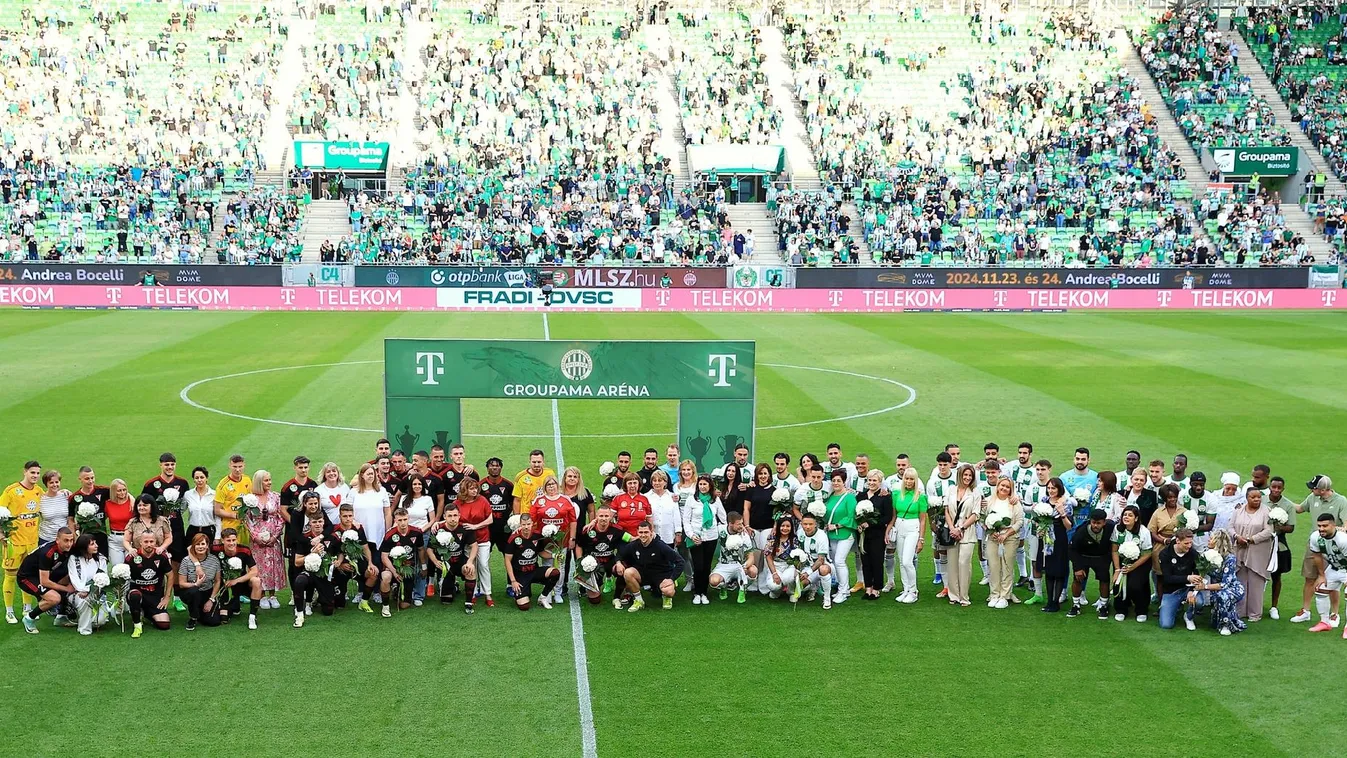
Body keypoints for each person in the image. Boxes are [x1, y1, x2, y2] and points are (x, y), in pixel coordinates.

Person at [1291, 475, 1346, 624]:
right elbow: (1300, 509)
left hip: (1333, 547)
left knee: (1332, 581)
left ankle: (1334, 614)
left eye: (1314, 487)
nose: (1311, 489)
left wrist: (1330, 530)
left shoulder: (1341, 501)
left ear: (1322, 490)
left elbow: (1346, 527)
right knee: (1309, 578)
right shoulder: (1312, 497)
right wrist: (1281, 501)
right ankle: (1306, 611)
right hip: (1314, 544)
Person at [2, 461, 44, 625]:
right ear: (25, 472)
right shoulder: (11, 491)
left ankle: (27, 608)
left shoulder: (39, 491)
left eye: (37, 473)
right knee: (11, 576)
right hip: (14, 542)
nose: (35, 476)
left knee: (28, 576)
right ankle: (9, 611)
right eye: (32, 473)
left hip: (32, 543)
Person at [15, 527, 75, 634]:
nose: (69, 544)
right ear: (57, 540)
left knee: (67, 578)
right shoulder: (47, 553)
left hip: (42, 575)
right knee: (54, 598)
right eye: (66, 540)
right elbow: (45, 582)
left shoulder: (67, 548)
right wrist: (66, 589)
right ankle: (29, 618)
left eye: (71, 540)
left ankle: (61, 616)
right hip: (27, 578)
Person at [615, 520, 683, 612]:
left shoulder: (660, 545)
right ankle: (639, 601)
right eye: (641, 532)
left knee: (669, 591)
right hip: (643, 574)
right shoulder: (634, 545)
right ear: (637, 532)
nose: (643, 535)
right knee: (628, 572)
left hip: (661, 575)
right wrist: (618, 563)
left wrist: (671, 579)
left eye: (646, 532)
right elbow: (620, 554)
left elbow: (680, 562)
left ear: (651, 532)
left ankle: (667, 597)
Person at [528, 475, 575, 605]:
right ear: (545, 487)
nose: (551, 487)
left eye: (553, 484)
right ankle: (547, 592)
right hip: (545, 541)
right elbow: (532, 520)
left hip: (562, 541)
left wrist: (572, 537)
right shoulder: (539, 500)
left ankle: (558, 592)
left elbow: (573, 520)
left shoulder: (565, 500)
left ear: (558, 485)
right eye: (548, 485)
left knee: (561, 565)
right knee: (547, 565)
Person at [681, 474, 726, 606]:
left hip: (711, 537)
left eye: (705, 484)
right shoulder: (692, 499)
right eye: (700, 484)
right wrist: (691, 535)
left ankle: (704, 593)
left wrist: (721, 530)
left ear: (710, 485)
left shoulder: (715, 500)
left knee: (706, 566)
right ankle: (697, 593)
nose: (702, 487)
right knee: (698, 566)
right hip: (696, 537)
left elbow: (722, 517)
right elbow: (686, 520)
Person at [1232, 488, 1274, 622]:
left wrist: (1251, 539)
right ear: (1247, 498)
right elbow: (1230, 526)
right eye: (1253, 497)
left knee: (1256, 582)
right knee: (1240, 580)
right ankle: (1240, 611)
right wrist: (1236, 536)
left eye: (1258, 497)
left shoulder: (1266, 512)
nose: (1256, 500)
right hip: (1239, 549)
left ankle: (1255, 613)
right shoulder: (1238, 511)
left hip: (1257, 550)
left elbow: (1269, 531)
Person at [245, 471, 285, 610]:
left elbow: (281, 517)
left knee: (274, 564)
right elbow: (247, 519)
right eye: (266, 480)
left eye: (270, 480)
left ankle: (272, 594)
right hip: (257, 538)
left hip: (273, 537)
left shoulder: (275, 497)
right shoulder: (250, 499)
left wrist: (275, 535)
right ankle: (261, 594)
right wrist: (255, 536)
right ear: (259, 482)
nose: (269, 482)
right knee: (260, 566)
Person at [575, 505, 629, 607]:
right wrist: (579, 561)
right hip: (594, 564)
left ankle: (617, 596)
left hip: (610, 561)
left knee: (623, 570)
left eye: (606, 516)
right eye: (601, 516)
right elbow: (579, 545)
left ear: (611, 517)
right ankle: (588, 585)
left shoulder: (617, 529)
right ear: (596, 516)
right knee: (595, 600)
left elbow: (630, 539)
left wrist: (649, 536)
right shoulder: (587, 530)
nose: (604, 518)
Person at [427, 504, 477, 614]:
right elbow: (429, 549)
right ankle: (453, 586)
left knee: (470, 570)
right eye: (449, 516)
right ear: (444, 516)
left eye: (455, 515)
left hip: (460, 562)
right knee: (446, 600)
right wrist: (436, 562)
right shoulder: (438, 529)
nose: (453, 518)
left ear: (459, 516)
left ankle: (468, 603)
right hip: (445, 565)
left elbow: (474, 545)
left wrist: (470, 561)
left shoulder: (464, 529)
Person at [504, 513, 560, 611]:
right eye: (523, 525)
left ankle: (543, 597)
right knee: (524, 606)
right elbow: (507, 560)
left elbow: (541, 552)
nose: (526, 527)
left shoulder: (537, 536)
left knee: (555, 573)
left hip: (534, 571)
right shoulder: (513, 539)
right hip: (520, 575)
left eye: (528, 524)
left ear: (532, 524)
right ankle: (523, 593)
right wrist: (513, 581)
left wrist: (554, 555)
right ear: (520, 525)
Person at [887, 467, 927, 603]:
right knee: (901, 561)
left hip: (912, 527)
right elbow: (894, 514)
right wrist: (890, 528)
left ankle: (913, 590)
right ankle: (905, 589)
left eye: (911, 479)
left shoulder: (920, 496)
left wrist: (921, 538)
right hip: (899, 526)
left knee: (907, 561)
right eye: (906, 478)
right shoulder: (897, 493)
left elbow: (922, 519)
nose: (909, 481)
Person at [983, 477, 1024, 609]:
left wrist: (1006, 534)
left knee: (1007, 566)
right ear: (998, 486)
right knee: (994, 566)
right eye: (1002, 485)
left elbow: (1019, 522)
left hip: (1010, 538)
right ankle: (994, 594)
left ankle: (1005, 595)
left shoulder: (1014, 503)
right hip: (993, 538)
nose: (1004, 488)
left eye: (1007, 487)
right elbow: (982, 518)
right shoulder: (989, 501)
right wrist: (990, 531)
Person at [290, 512, 337, 627]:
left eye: (320, 521)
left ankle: (317, 599)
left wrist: (338, 561)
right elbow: (297, 562)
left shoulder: (331, 537)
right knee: (299, 581)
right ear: (309, 523)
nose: (317, 524)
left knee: (328, 611)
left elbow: (340, 553)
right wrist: (312, 553)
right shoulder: (304, 538)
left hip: (325, 575)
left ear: (324, 522)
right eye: (314, 522)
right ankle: (299, 613)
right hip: (309, 573)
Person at [453, 476, 493, 608]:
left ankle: (487, 593)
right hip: (467, 541)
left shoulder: (482, 500)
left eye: (476, 488)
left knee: (483, 564)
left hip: (482, 539)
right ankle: (474, 592)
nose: (475, 491)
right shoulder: (458, 503)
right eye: (471, 488)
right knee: (472, 566)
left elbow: (490, 519)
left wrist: (475, 526)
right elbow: (452, 517)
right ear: (465, 490)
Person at [944, 464, 981, 607]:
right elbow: (946, 510)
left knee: (964, 563)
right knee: (952, 564)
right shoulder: (951, 490)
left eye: (970, 476)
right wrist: (953, 528)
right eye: (965, 475)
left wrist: (961, 528)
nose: (967, 478)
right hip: (952, 532)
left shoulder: (975, 492)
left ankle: (964, 596)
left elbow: (976, 514)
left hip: (967, 533)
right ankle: (953, 595)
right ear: (960, 475)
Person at [1068, 509, 1115, 619]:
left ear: (1104, 522)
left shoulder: (1111, 528)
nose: (1095, 525)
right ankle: (1076, 605)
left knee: (1104, 579)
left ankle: (1103, 605)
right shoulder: (1081, 532)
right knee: (1078, 578)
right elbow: (1072, 549)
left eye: (1098, 523)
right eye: (1093, 522)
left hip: (1101, 557)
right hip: (1083, 557)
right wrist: (1077, 568)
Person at [212, 528, 263, 630]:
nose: (231, 543)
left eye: (234, 540)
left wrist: (236, 580)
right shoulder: (216, 549)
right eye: (228, 540)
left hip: (241, 583)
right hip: (225, 586)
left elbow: (254, 571)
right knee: (223, 619)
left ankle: (252, 616)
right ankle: (233, 605)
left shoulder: (244, 550)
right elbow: (193, 548)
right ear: (222, 541)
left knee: (256, 581)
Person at [1305, 512, 1347, 634]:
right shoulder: (1315, 537)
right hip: (1334, 568)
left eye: (1325, 526)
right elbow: (1317, 556)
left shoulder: (1343, 540)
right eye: (1319, 526)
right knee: (1320, 588)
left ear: (1333, 525)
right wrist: (1322, 575)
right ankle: (1325, 622)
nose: (1321, 529)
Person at [378, 508, 425, 617]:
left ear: (409, 519)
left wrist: (424, 566)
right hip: (391, 567)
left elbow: (421, 549)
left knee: (404, 605)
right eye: (400, 520)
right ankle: (385, 606)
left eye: (405, 519)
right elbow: (384, 556)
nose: (403, 523)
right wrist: (394, 572)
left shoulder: (416, 533)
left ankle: (396, 590)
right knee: (386, 577)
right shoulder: (389, 535)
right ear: (395, 520)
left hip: (408, 569)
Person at [350, 463, 392, 583]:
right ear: (362, 475)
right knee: (361, 562)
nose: (371, 476)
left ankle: (377, 591)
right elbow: (347, 511)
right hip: (360, 533)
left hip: (377, 532)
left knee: (376, 560)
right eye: (368, 474)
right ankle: (361, 590)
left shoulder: (381, 491)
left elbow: (387, 513)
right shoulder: (354, 492)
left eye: (372, 474)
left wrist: (387, 530)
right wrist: (353, 523)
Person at [125, 531, 172, 638]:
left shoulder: (161, 556)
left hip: (155, 595)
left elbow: (171, 575)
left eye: (151, 541)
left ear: (156, 542)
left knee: (164, 624)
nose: (149, 544)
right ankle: (137, 625)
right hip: (137, 593)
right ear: (140, 542)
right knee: (135, 595)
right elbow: (123, 577)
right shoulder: (132, 557)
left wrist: (167, 597)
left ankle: (146, 613)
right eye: (146, 541)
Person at [1110, 505, 1152, 622]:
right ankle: (1121, 610)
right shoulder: (1117, 529)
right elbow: (1114, 549)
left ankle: (1141, 610)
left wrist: (1132, 567)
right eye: (1125, 515)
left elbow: (1147, 553)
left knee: (1135, 585)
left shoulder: (1144, 531)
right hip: (1121, 561)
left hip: (1140, 562)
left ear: (1136, 518)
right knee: (1117, 584)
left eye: (1130, 515)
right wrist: (1117, 569)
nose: (1126, 517)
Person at [856, 470, 894, 600]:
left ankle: (876, 588)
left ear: (880, 482)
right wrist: (860, 524)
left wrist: (871, 524)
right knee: (865, 561)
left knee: (876, 561)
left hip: (877, 534)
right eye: (870, 480)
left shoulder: (885, 497)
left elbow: (887, 517)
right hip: (862, 534)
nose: (871, 483)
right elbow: (855, 513)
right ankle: (868, 588)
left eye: (875, 481)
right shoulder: (861, 496)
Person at [1039, 478, 1075, 613]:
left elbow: (1069, 526)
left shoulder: (1066, 503)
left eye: (1053, 488)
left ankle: (1056, 602)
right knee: (1049, 571)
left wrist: (1062, 513)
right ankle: (1049, 601)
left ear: (1059, 489)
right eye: (1049, 488)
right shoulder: (1044, 501)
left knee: (1059, 571)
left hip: (1060, 538)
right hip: (1047, 539)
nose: (1050, 491)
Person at [1157, 529, 1203, 630]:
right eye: (1186, 543)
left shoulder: (1193, 554)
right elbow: (1167, 578)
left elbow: (1197, 575)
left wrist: (1192, 591)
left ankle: (1188, 616)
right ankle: (1175, 607)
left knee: (1199, 601)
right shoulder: (1165, 554)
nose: (1189, 546)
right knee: (1166, 625)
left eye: (1191, 543)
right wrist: (1187, 578)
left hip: (1187, 589)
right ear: (1178, 541)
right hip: (1171, 591)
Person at [1266, 476, 1298, 619]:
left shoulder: (1288, 505)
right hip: (1261, 541)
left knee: (1276, 575)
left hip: (1279, 542)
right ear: (1269, 487)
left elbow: (1291, 528)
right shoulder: (1260, 501)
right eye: (1274, 487)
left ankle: (1274, 606)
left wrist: (1279, 527)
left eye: (1279, 488)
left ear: (1283, 489)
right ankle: (1253, 604)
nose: (1276, 490)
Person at [708, 512, 757, 604]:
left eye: (742, 523)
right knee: (714, 581)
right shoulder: (721, 530)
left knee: (753, 570)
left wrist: (745, 565)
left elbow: (751, 557)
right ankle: (724, 587)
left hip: (739, 565)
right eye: (739, 524)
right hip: (724, 565)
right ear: (730, 524)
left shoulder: (744, 536)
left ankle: (743, 589)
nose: (741, 526)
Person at [66, 534, 110, 636]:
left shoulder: (101, 559)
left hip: (97, 593)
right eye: (92, 544)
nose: (96, 546)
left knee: (100, 622)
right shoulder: (74, 559)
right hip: (78, 593)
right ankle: (84, 629)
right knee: (84, 601)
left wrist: (91, 589)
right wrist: (83, 590)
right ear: (84, 546)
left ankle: (81, 619)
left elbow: (104, 577)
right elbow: (74, 577)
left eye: (95, 543)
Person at [176, 533, 221, 630]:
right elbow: (181, 583)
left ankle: (200, 611)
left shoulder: (214, 560)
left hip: (207, 592)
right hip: (190, 591)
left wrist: (211, 600)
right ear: (193, 546)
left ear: (207, 545)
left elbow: (217, 581)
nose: (200, 547)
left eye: (203, 544)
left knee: (214, 622)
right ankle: (193, 617)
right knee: (194, 591)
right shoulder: (186, 561)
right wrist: (195, 584)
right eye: (197, 544)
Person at [1205, 531, 1246, 636]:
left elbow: (1225, 584)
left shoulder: (1230, 558)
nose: (1208, 540)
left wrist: (1205, 587)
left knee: (1223, 595)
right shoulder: (1207, 554)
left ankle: (1226, 625)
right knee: (1220, 595)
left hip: (1233, 588)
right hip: (1216, 588)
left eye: (1211, 539)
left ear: (1218, 542)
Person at [68, 467, 110, 557]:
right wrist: (74, 537)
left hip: (101, 535)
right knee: (86, 562)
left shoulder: (102, 491)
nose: (90, 481)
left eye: (92, 478)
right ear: (80, 479)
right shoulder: (75, 497)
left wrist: (132, 500)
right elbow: (70, 518)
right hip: (84, 537)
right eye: (87, 478)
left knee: (103, 561)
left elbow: (120, 490)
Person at [759, 516, 801, 600]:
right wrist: (774, 573)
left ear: (791, 527)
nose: (785, 528)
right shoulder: (772, 538)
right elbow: (768, 556)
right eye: (782, 526)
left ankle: (791, 592)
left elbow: (798, 556)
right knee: (774, 586)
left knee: (788, 578)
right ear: (778, 527)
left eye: (788, 526)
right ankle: (776, 592)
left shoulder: (794, 539)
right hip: (776, 565)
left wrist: (797, 569)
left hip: (789, 565)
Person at [212, 455, 251, 540]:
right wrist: (234, 515)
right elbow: (217, 510)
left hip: (246, 526)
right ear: (230, 466)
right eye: (235, 467)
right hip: (230, 528)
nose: (237, 470)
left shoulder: (247, 480)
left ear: (244, 465)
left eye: (240, 466)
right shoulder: (223, 485)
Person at [646, 470, 681, 555]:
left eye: (660, 480)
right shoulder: (646, 497)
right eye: (654, 480)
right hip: (652, 536)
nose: (657, 483)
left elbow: (676, 516)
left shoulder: (672, 497)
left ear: (665, 482)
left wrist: (678, 533)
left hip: (668, 535)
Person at [35, 469, 71, 550]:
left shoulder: (66, 495)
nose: (54, 485)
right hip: (46, 539)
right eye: (51, 482)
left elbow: (72, 516)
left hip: (64, 539)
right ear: (46, 484)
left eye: (57, 482)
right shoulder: (40, 499)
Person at [512, 450, 555, 514]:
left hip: (545, 514)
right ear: (529, 462)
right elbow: (517, 500)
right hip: (527, 516)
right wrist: (517, 517)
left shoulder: (550, 473)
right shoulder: (521, 477)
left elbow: (555, 493)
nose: (536, 464)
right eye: (534, 462)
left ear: (543, 462)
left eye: (539, 462)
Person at [183, 466, 218, 544]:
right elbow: (181, 510)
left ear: (206, 478)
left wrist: (218, 536)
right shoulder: (188, 494)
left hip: (209, 530)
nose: (199, 480)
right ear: (194, 479)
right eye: (197, 478)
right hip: (193, 530)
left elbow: (218, 517)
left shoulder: (214, 494)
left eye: (202, 477)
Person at [611, 473, 653, 537]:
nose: (632, 486)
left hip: (640, 536)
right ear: (625, 485)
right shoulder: (618, 498)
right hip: (622, 536)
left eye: (635, 483)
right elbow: (609, 516)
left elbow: (649, 520)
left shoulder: (644, 499)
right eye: (630, 483)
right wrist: (594, 522)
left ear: (639, 484)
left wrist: (651, 533)